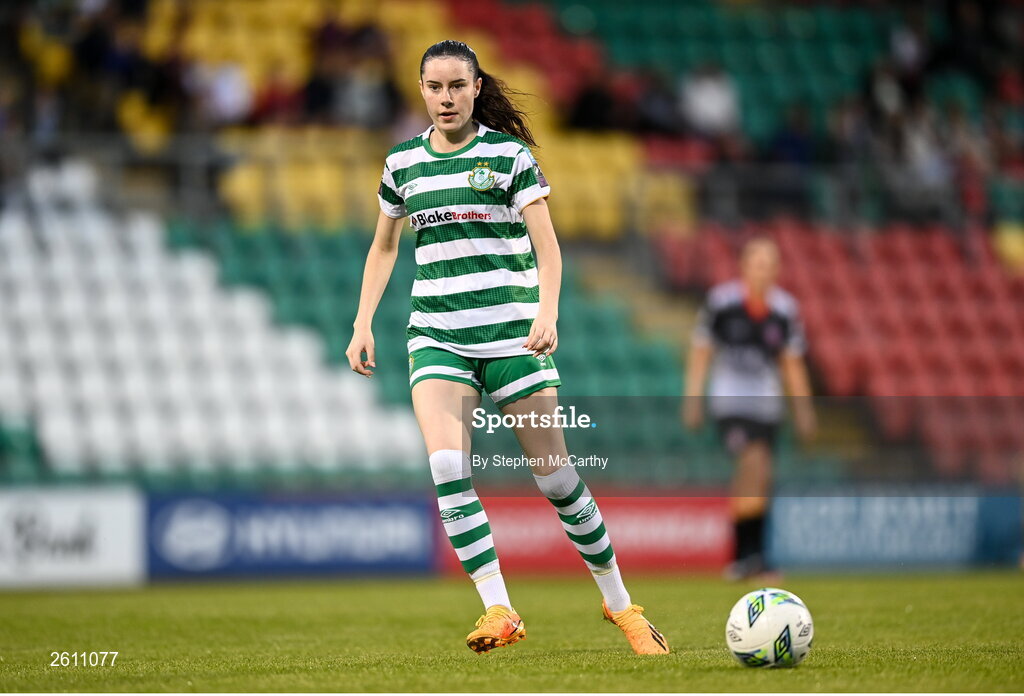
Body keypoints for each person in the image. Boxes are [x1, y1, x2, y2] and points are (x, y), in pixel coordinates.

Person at [346, 40, 668, 656]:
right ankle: (499, 606)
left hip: (513, 334)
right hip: (437, 336)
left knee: (557, 479)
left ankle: (621, 605)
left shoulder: (508, 155)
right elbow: (384, 247)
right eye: (434, 87)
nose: (445, 98)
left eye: (456, 87)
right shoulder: (401, 165)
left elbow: (547, 245)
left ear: (474, 88)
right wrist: (362, 322)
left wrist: (548, 310)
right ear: (421, 91)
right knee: (446, 467)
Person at [682, 238, 816, 581]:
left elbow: (791, 363)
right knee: (753, 463)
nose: (764, 270)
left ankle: (743, 557)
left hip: (767, 405)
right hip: (731, 402)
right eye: (758, 263)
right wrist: (693, 398)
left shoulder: (784, 309)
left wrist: (803, 411)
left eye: (771, 264)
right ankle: (754, 557)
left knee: (757, 478)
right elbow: (701, 351)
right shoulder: (723, 303)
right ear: (744, 266)